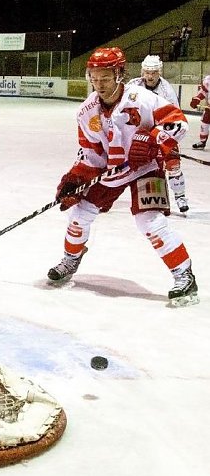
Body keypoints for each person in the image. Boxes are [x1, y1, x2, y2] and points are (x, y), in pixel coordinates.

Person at [48, 47, 198, 307]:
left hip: (145, 168)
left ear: (119, 74)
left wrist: (153, 139)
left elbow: (179, 122)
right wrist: (75, 179)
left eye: (104, 78)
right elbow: (92, 156)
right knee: (79, 215)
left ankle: (184, 273)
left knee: (149, 222)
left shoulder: (142, 98)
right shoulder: (87, 113)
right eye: (94, 78)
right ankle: (71, 259)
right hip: (111, 171)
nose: (99, 85)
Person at [126, 55, 189, 213]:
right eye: (147, 72)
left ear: (159, 72)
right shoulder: (134, 85)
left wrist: (157, 136)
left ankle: (180, 197)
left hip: (162, 132)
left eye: (153, 72)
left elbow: (174, 119)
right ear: (143, 71)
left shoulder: (166, 90)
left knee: (173, 164)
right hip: (140, 134)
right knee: (142, 166)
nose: (150, 76)